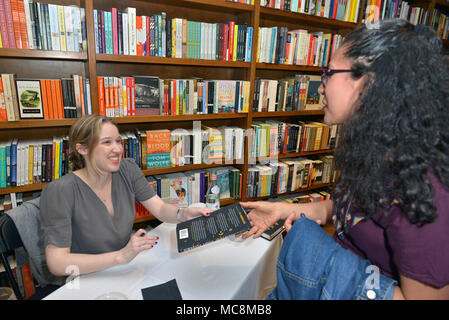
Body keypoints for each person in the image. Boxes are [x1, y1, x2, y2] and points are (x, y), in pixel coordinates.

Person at [241, 19, 449, 300]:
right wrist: (283, 210)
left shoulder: (424, 187)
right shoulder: (377, 148)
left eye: (329, 73)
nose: (320, 87)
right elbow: (351, 210)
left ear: (369, 84)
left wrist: (318, 256)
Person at [39, 114, 212, 277]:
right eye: (107, 142)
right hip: (85, 278)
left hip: (124, 268)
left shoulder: (127, 169)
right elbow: (57, 263)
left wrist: (183, 214)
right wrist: (120, 256)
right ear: (82, 148)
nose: (117, 149)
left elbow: (159, 208)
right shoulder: (59, 191)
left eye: (118, 141)